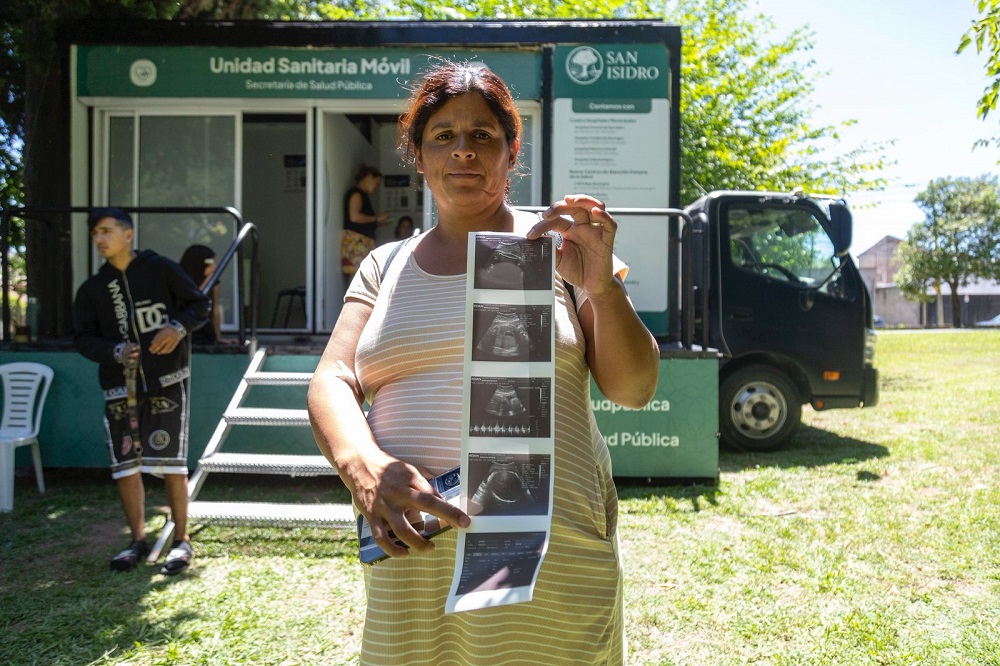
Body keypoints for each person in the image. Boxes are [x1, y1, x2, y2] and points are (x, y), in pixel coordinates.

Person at [307, 61, 659, 664]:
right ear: (417, 155)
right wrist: (364, 466)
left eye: (483, 135)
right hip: (413, 552)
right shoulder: (384, 265)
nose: (463, 151)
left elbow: (634, 389)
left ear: (511, 150)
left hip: (551, 560)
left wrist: (604, 287)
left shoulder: (559, 250)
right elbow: (332, 379)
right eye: (443, 135)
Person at [74, 208, 211, 576]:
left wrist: (177, 327)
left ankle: (181, 540)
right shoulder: (93, 288)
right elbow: (83, 337)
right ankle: (137, 540)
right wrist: (113, 351)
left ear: (128, 234)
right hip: (120, 385)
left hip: (166, 379)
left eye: (106, 231)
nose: (100, 239)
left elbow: (199, 303)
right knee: (125, 465)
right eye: (94, 233)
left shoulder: (160, 268)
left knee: (171, 462)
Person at [342, 164, 389, 278]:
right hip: (357, 243)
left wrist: (377, 223)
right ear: (368, 176)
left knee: (362, 277)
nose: (377, 187)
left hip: (361, 243)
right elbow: (354, 217)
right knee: (359, 278)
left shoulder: (362, 194)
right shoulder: (357, 194)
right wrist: (376, 218)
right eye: (377, 183)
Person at [179, 244, 228, 345]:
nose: (214, 266)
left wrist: (218, 337)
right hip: (183, 328)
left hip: (204, 329)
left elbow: (215, 309)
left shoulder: (213, 281)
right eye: (209, 263)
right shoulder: (180, 279)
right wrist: (207, 280)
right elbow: (192, 300)